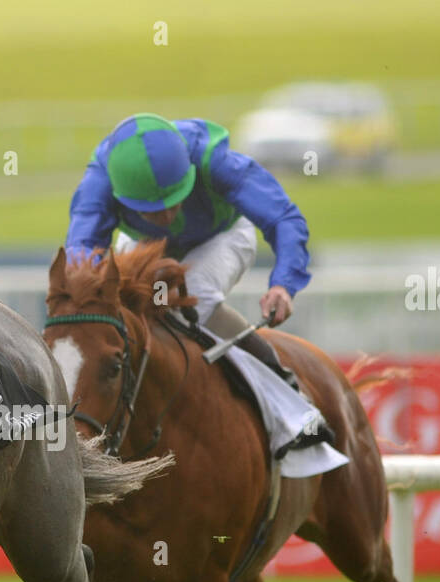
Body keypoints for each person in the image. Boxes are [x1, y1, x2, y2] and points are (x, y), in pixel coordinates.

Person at [64, 113, 311, 385]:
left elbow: (282, 217)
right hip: (149, 245)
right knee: (140, 308)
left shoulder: (211, 157)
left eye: (175, 199)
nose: (168, 216)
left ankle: (275, 376)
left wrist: (283, 284)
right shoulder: (101, 180)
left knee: (188, 297)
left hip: (222, 237)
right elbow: (82, 252)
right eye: (154, 211)